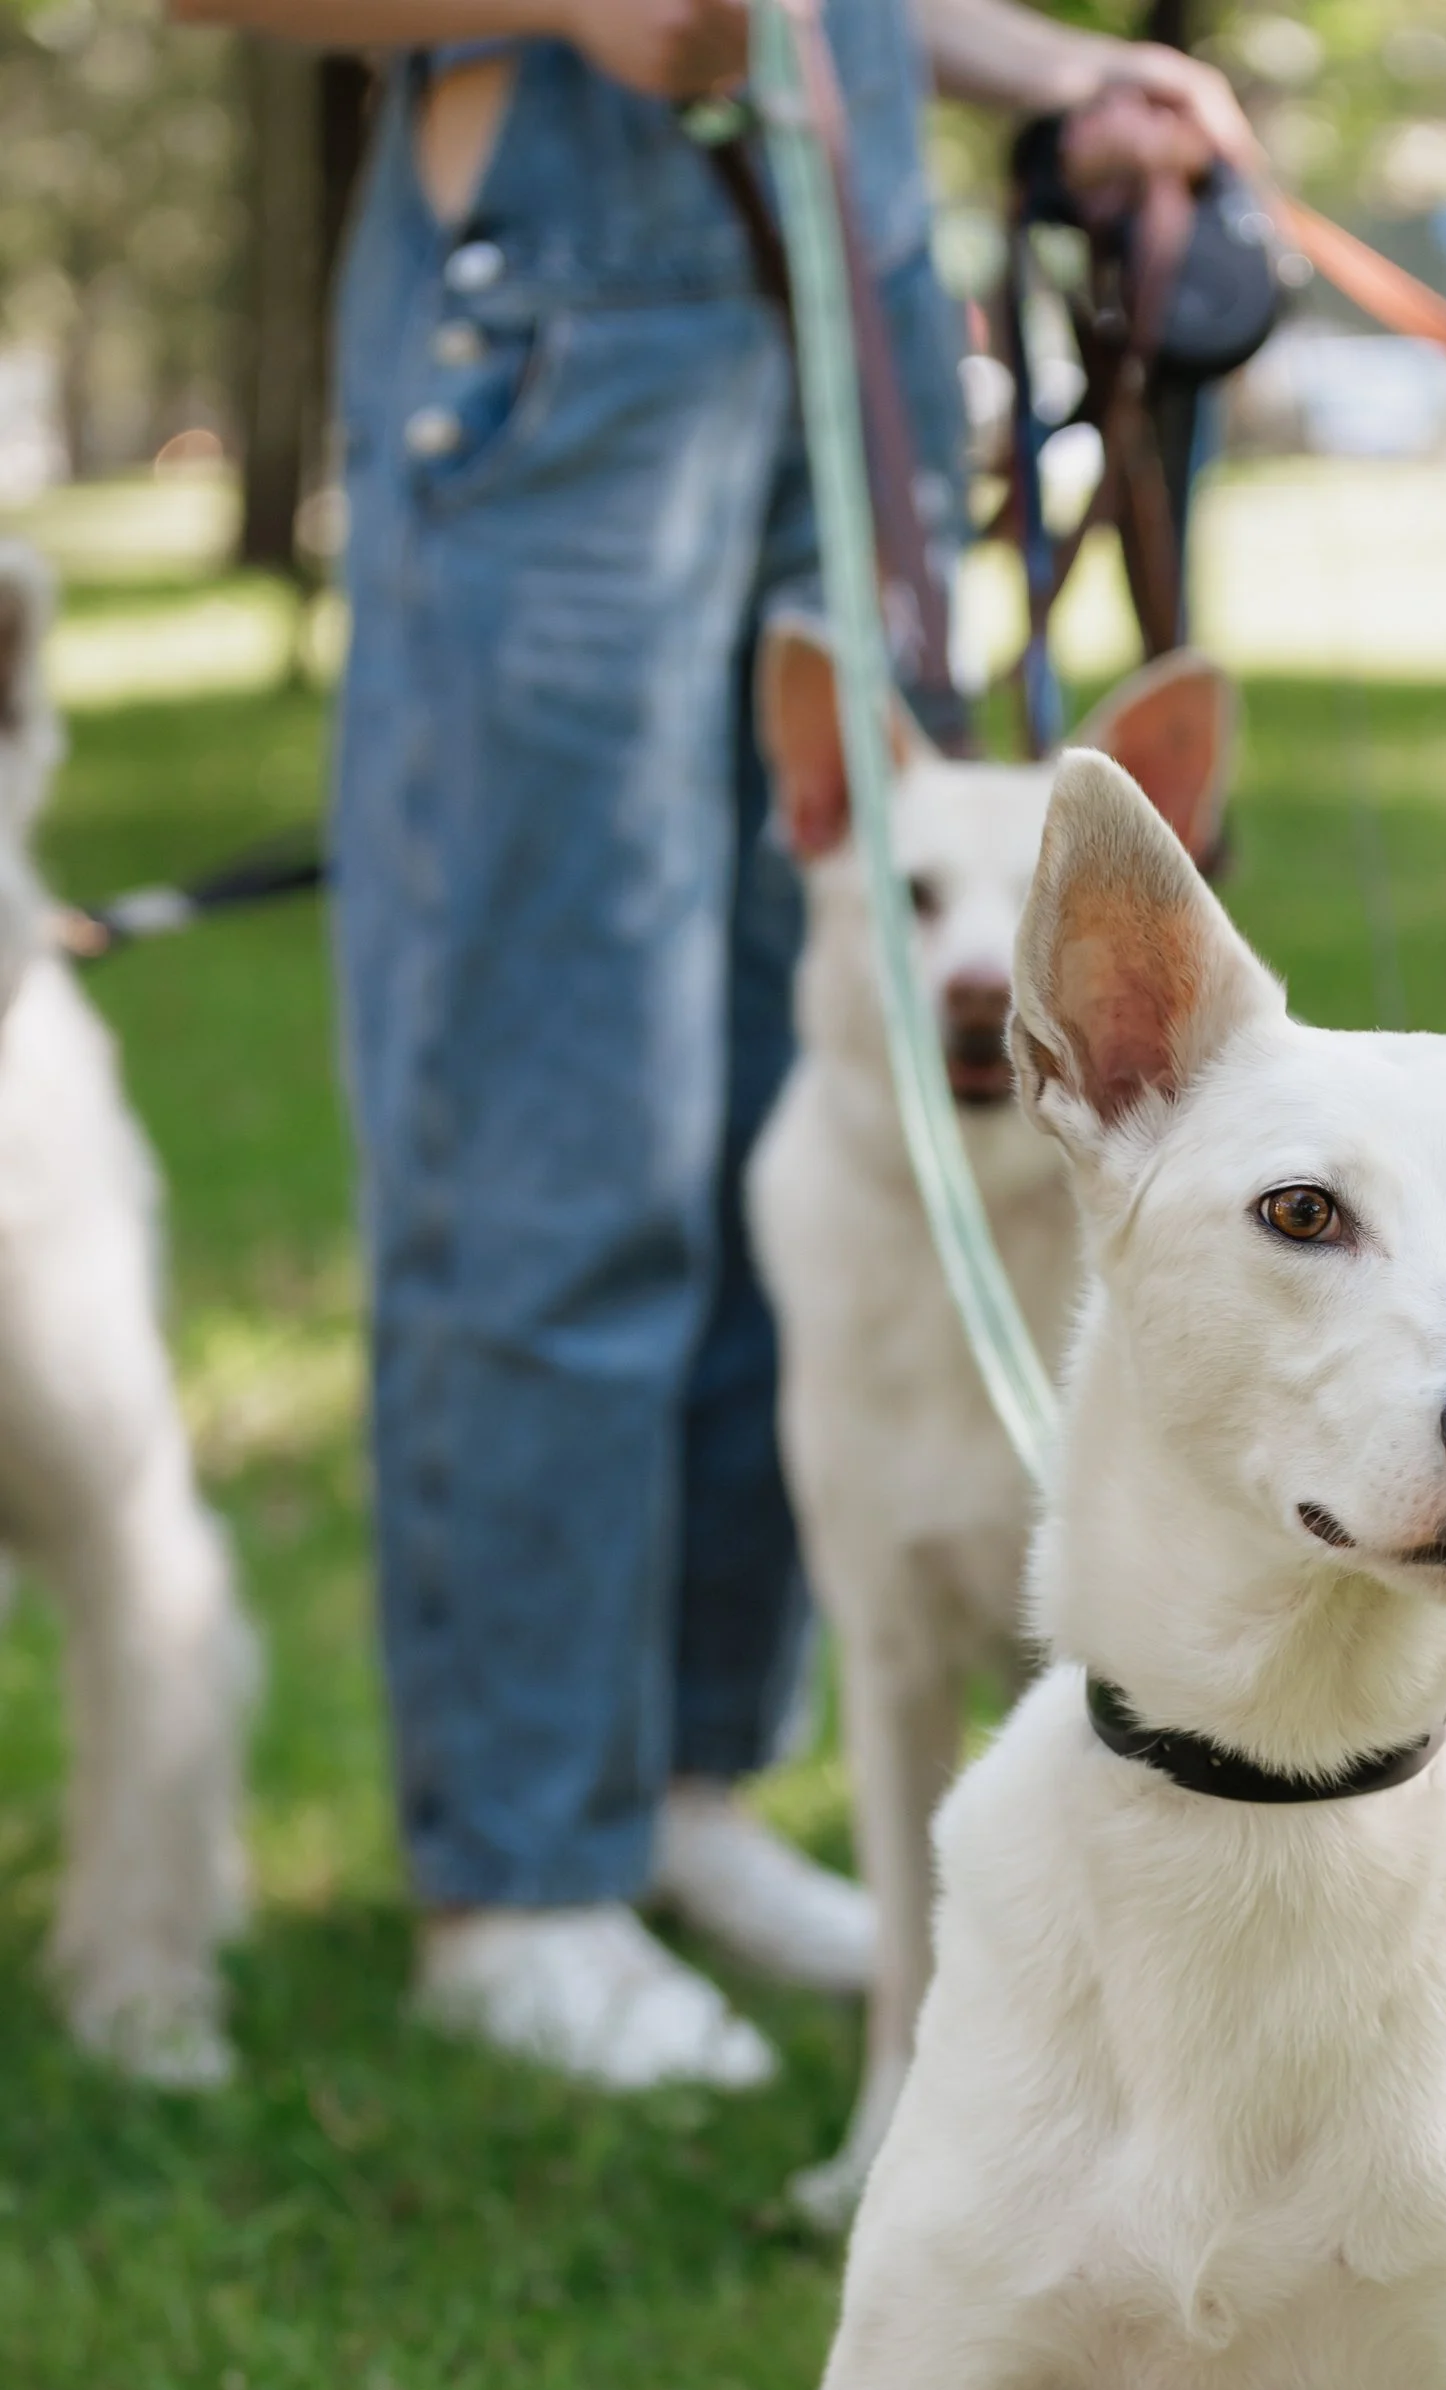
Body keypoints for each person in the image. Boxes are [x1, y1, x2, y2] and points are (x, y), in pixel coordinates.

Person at [172, 0, 1253, 2087]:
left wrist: (1040, 78)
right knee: (555, 1118)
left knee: (832, 1125)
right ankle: (520, 1881)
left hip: (836, 299)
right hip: (561, 320)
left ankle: (678, 1789)